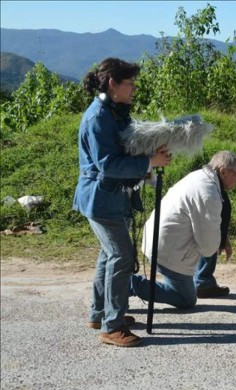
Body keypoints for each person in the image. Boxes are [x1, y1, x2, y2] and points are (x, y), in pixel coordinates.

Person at [73, 57, 172, 347]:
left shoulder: (115, 112)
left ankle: (100, 313)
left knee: (109, 255)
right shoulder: (98, 118)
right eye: (129, 83)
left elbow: (126, 147)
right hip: (101, 199)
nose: (134, 89)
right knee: (121, 256)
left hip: (112, 198)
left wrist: (150, 152)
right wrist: (148, 161)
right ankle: (112, 326)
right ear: (113, 84)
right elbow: (108, 165)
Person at [130, 151, 236, 307]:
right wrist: (219, 240)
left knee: (186, 293)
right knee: (185, 298)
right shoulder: (209, 193)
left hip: (160, 241)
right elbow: (209, 247)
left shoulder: (200, 177)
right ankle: (127, 283)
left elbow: (207, 227)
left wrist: (222, 238)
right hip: (166, 250)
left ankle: (204, 282)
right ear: (223, 171)